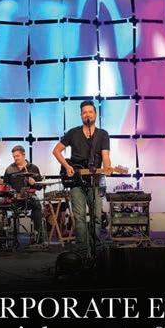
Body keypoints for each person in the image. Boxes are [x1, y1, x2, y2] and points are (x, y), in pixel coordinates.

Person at [52, 100, 111, 261]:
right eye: (84, 112)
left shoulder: (103, 134)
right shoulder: (73, 133)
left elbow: (106, 156)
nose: (87, 115)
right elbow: (56, 150)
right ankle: (83, 253)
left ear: (95, 114)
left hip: (94, 181)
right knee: (79, 218)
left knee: (97, 217)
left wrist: (108, 167)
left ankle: (96, 251)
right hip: (76, 181)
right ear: (81, 115)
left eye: (90, 112)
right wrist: (67, 166)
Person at [0, 145, 43, 242]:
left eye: (17, 156)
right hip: (14, 198)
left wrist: (34, 183)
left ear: (23, 155)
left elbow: (40, 187)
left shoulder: (33, 168)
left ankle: (38, 235)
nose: (15, 158)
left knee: (37, 204)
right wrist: (1, 184)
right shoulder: (9, 169)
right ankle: (3, 234)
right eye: (14, 156)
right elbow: (6, 186)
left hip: (29, 197)